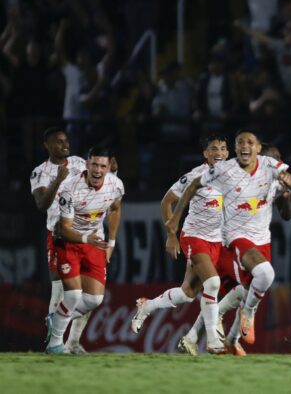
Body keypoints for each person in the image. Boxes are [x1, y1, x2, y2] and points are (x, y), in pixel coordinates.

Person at [166, 130, 291, 349]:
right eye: (274, 159)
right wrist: (173, 229)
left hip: (258, 242)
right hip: (228, 242)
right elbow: (186, 190)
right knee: (235, 287)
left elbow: (287, 214)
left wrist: (287, 194)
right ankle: (219, 337)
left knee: (203, 292)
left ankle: (218, 338)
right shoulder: (228, 173)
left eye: (279, 160)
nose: (278, 163)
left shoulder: (273, 181)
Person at [130, 135, 230, 355]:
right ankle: (213, 341)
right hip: (194, 236)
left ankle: (147, 306)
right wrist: (171, 235)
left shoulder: (231, 177)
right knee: (212, 283)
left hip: (217, 241)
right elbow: (167, 201)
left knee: (187, 293)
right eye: (214, 149)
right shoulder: (196, 175)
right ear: (205, 154)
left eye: (223, 149)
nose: (219, 153)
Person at [45, 146, 124, 354]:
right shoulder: (69, 188)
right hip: (68, 242)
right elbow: (65, 229)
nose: (98, 170)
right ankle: (55, 344)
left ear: (109, 167)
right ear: (87, 165)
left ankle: (58, 318)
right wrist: (87, 238)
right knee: (72, 295)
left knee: (95, 299)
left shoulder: (115, 185)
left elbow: (115, 209)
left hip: (94, 242)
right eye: (95, 165)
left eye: (103, 166)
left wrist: (112, 242)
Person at [30, 127, 88, 354]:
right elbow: (41, 204)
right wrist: (58, 180)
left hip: (83, 231)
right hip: (58, 235)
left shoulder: (78, 162)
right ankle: (56, 343)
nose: (64, 144)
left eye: (66, 140)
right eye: (58, 141)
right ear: (46, 145)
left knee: (88, 292)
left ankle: (73, 342)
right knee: (61, 289)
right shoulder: (40, 172)